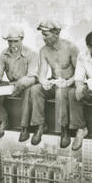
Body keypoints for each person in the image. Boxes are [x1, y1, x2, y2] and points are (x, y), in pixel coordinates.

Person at [30, 20, 79, 148]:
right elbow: (42, 73)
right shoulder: (44, 51)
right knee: (35, 89)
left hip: (69, 84)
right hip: (54, 81)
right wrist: (44, 82)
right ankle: (40, 125)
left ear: (56, 34)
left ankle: (64, 129)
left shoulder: (71, 48)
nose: (43, 38)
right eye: (43, 34)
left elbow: (79, 73)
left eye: (46, 34)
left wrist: (68, 82)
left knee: (60, 92)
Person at [0, 25, 38, 140]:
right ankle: (3, 120)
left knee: (29, 91)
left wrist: (20, 84)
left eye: (16, 41)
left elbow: (32, 77)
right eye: (10, 42)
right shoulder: (4, 54)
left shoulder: (32, 54)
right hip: (11, 85)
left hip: (26, 85)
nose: (12, 45)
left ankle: (24, 127)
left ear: (22, 39)